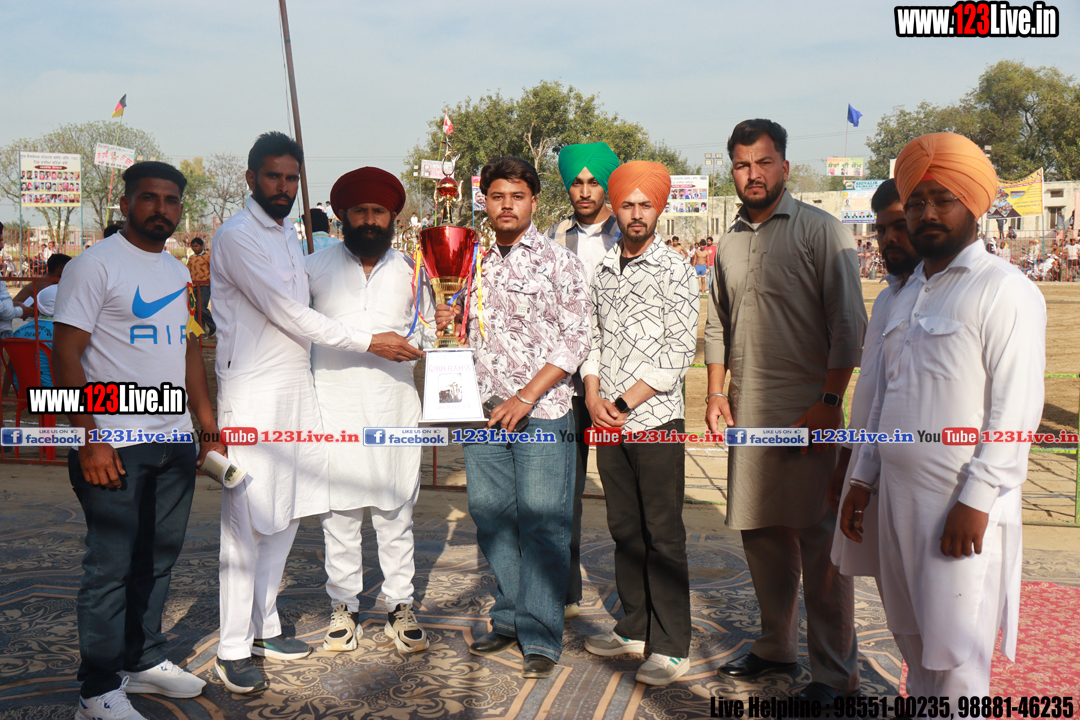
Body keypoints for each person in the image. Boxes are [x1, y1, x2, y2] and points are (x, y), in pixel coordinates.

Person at [210, 132, 421, 693]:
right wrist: (369, 341)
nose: (282, 186)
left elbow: (422, 326)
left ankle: (265, 628)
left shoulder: (288, 236)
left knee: (286, 516)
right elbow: (288, 311)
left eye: (291, 178)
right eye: (272, 176)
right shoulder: (240, 237)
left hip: (303, 395)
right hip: (257, 395)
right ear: (251, 178)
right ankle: (233, 648)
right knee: (249, 521)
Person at [841, 132, 1046, 703]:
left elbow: (1016, 408)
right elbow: (884, 399)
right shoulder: (906, 294)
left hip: (960, 508)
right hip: (896, 500)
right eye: (916, 202)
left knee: (957, 664)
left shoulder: (1005, 290)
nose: (927, 213)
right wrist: (862, 478)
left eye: (943, 199)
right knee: (913, 643)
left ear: (973, 204)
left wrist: (976, 501)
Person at [53, 162, 225, 720]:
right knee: (110, 568)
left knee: (158, 558)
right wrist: (90, 439)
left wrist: (206, 428)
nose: (161, 209)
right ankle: (97, 688)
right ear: (126, 204)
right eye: (149, 198)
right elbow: (65, 354)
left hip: (173, 440)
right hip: (113, 443)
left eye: (171, 200)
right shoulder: (94, 265)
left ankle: (143, 659)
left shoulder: (177, 271)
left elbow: (188, 351)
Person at [704, 119, 865, 701]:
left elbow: (849, 324)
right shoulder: (727, 242)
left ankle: (834, 674)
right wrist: (716, 394)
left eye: (764, 162)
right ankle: (776, 646)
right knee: (761, 534)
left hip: (808, 415)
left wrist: (830, 401)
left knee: (821, 546)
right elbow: (717, 325)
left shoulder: (822, 230)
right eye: (742, 164)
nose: (753, 174)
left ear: (785, 167)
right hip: (747, 413)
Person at [434, 156, 590, 679]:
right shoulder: (470, 261)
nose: (506, 205)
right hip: (480, 413)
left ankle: (541, 635)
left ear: (534, 202)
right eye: (497, 196)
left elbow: (576, 339)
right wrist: (446, 318)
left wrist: (525, 396)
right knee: (491, 517)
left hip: (542, 412)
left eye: (517, 196)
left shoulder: (559, 262)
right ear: (484, 202)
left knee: (544, 523)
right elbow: (455, 330)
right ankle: (508, 617)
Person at [306, 167, 434, 655]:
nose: (369, 220)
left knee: (395, 510)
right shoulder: (312, 268)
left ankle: (400, 604)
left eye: (379, 211)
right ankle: (343, 606)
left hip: (393, 407)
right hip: (331, 405)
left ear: (393, 217)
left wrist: (433, 332)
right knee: (338, 514)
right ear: (342, 215)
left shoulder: (415, 270)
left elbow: (428, 333)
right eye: (359, 211)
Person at [580, 161, 698, 685]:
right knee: (624, 529)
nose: (635, 214)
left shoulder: (676, 270)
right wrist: (592, 394)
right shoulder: (604, 268)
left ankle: (671, 645)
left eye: (644, 205)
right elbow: (592, 338)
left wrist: (624, 403)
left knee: (662, 533)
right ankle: (633, 627)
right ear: (615, 208)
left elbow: (678, 351)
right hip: (607, 420)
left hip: (655, 420)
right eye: (626, 204)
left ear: (658, 209)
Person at [828, 179, 920, 579]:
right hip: (867, 467)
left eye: (900, 225)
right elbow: (872, 391)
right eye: (881, 229)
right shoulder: (885, 299)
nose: (889, 239)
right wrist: (847, 462)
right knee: (889, 589)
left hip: (914, 471)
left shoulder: (934, 297)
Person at [545, 141, 621, 619]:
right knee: (563, 490)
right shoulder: (554, 237)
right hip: (565, 385)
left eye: (594, 182)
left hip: (619, 385)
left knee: (622, 494)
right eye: (578, 182)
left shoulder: (627, 233)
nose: (586, 191)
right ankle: (565, 591)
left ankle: (636, 606)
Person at [186, 237, 215, 337]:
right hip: (194, 285)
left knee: (201, 307)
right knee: (195, 309)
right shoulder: (191, 258)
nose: (195, 248)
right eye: (193, 246)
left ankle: (213, 325)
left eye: (196, 246)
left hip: (205, 285)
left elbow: (213, 268)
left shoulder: (207, 257)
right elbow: (188, 270)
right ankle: (201, 332)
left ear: (202, 246)